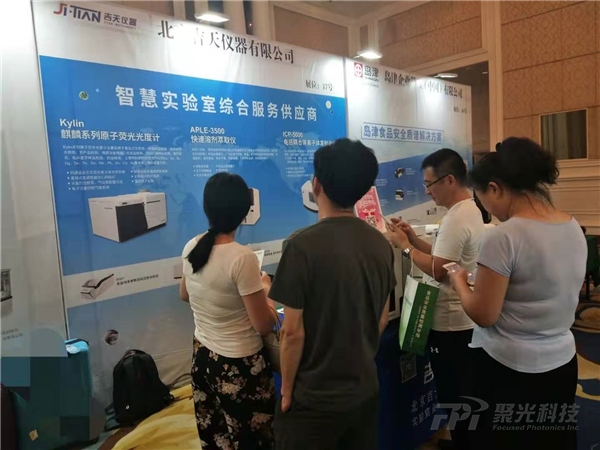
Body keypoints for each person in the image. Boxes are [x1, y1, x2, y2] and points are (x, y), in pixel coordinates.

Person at [449, 138, 586, 450]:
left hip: (510, 368)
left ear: (495, 189)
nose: (486, 209)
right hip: (562, 361)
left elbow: (484, 314)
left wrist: (458, 280)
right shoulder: (571, 225)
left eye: (482, 199)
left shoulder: (504, 237)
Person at [269, 139, 395, 450]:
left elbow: (292, 332)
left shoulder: (299, 245)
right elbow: (381, 317)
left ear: (316, 185)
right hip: (364, 391)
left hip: (313, 400)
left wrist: (286, 390)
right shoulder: (381, 243)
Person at [386, 148, 484, 450]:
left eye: (430, 184)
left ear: (449, 180)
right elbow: (446, 256)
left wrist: (404, 248)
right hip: (462, 321)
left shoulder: (457, 218)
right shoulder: (468, 210)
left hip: (452, 325)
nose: (427, 191)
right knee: (461, 394)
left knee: (456, 395)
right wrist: (414, 240)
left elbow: (440, 270)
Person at [179, 172, 276, 450]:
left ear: (206, 207)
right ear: (244, 212)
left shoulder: (192, 245)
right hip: (239, 366)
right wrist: (266, 289)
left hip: (202, 357)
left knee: (215, 437)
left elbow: (184, 295)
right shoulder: (242, 257)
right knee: (251, 440)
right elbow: (264, 325)